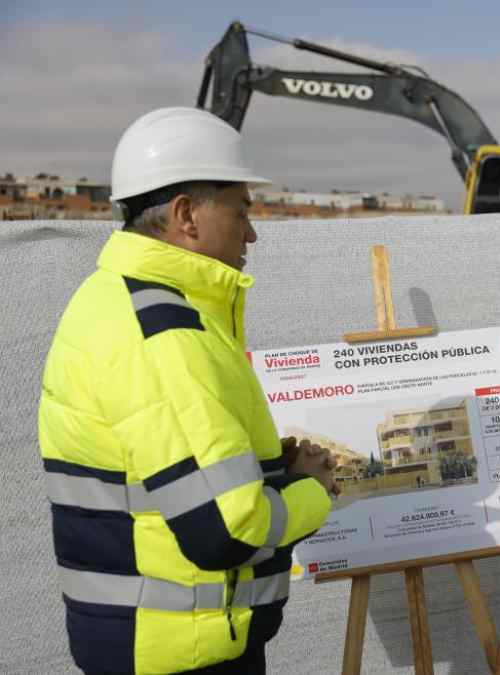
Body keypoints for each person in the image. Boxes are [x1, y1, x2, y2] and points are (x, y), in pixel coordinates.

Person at [39, 107, 336, 674]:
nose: (252, 231)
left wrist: (275, 472)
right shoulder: (164, 332)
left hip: (158, 645)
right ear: (185, 215)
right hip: (181, 655)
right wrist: (311, 490)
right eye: (241, 209)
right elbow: (225, 530)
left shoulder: (117, 301)